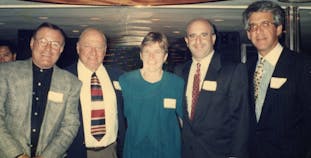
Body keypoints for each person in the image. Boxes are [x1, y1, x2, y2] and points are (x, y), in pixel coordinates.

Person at [0, 22, 81, 158]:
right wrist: (17, 154)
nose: (48, 49)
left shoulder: (71, 83)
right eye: (43, 42)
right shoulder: (5, 73)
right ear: (32, 43)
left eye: (55, 44)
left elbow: (70, 125)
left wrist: (47, 156)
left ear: (61, 49)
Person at [243, 1, 311, 158]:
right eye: (253, 26)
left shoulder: (301, 65)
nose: (258, 31)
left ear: (279, 29)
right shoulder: (245, 68)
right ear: (248, 34)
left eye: (265, 24)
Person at [174, 18, 249, 158]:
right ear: (186, 41)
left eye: (204, 35)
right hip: (187, 153)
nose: (198, 41)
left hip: (219, 153)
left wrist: (236, 155)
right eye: (192, 36)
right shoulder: (179, 71)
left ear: (213, 38)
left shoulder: (232, 70)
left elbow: (241, 120)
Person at [119, 32, 184, 158]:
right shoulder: (125, 81)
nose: (152, 57)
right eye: (147, 51)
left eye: (157, 52)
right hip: (135, 151)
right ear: (141, 55)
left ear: (165, 57)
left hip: (168, 152)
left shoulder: (176, 84)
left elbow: (183, 122)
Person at [65, 27, 126, 158]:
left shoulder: (119, 77)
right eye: (87, 46)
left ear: (105, 50)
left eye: (99, 47)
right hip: (75, 152)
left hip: (110, 151)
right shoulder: (64, 77)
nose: (93, 52)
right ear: (78, 48)